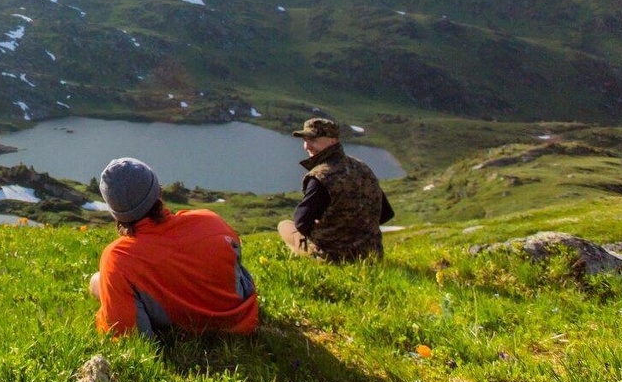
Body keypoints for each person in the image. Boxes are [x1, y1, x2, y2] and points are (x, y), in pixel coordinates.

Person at [89, 157, 258, 339]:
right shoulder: (211, 221)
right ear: (158, 192)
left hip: (189, 334)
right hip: (242, 321)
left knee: (97, 281)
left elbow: (127, 334)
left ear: (116, 213)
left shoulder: (119, 257)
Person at [278, 117, 394, 263]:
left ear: (333, 141)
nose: (307, 146)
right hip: (371, 255)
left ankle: (303, 256)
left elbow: (301, 223)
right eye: (305, 140)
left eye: (313, 140)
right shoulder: (362, 167)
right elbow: (386, 214)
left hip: (333, 257)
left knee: (285, 225)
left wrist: (329, 232)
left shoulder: (321, 176)